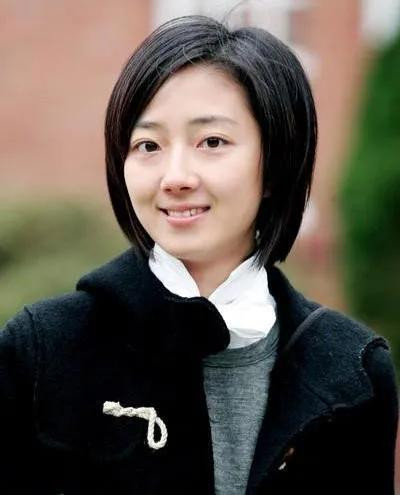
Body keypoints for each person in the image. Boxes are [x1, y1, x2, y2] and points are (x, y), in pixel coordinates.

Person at [0, 14, 398, 495]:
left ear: (275, 164)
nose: (175, 177)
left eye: (212, 142)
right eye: (148, 145)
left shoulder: (353, 372)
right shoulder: (43, 351)